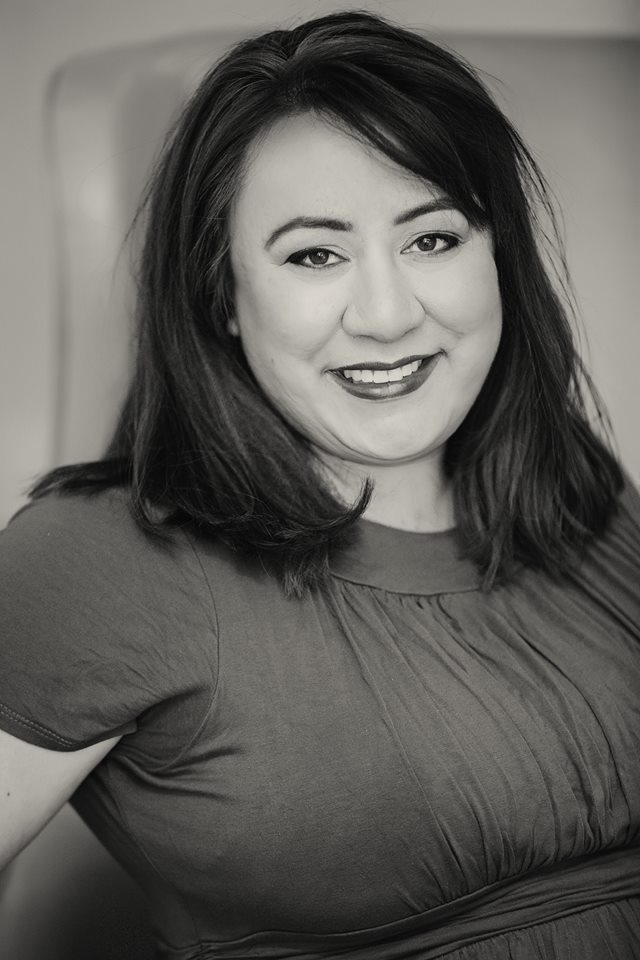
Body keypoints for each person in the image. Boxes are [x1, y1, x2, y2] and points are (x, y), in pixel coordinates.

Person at [1, 10, 638, 959]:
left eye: (432, 239)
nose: (387, 314)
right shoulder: (100, 559)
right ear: (222, 293)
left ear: (498, 253)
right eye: (314, 254)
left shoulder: (587, 500)